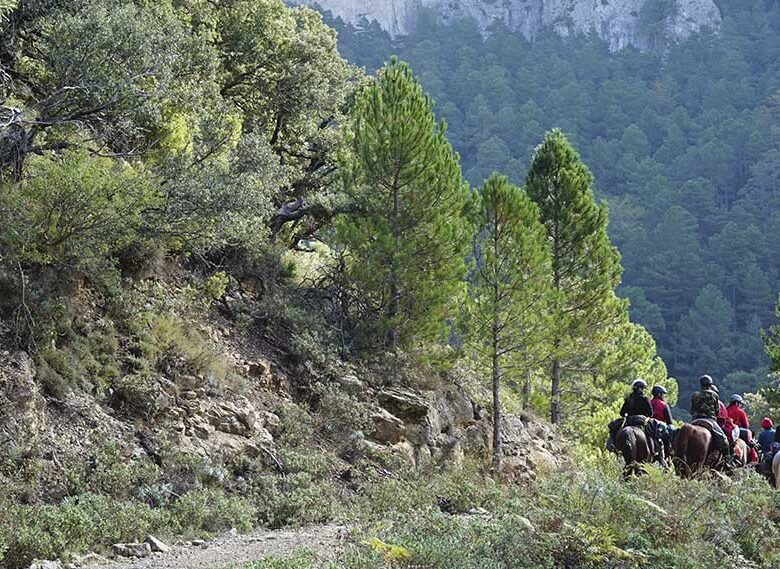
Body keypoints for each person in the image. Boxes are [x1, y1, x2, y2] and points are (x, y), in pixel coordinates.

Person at [690, 374, 734, 469]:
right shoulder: (714, 395)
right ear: (710, 385)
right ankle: (728, 461)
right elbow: (717, 411)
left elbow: (692, 410)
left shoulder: (695, 395)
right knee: (724, 440)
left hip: (695, 420)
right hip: (710, 420)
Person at [727, 394, 758, 463]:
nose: (740, 405)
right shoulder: (740, 411)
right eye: (739, 403)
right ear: (736, 403)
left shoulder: (726, 410)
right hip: (738, 431)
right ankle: (754, 457)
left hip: (726, 431)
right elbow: (746, 425)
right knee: (750, 438)